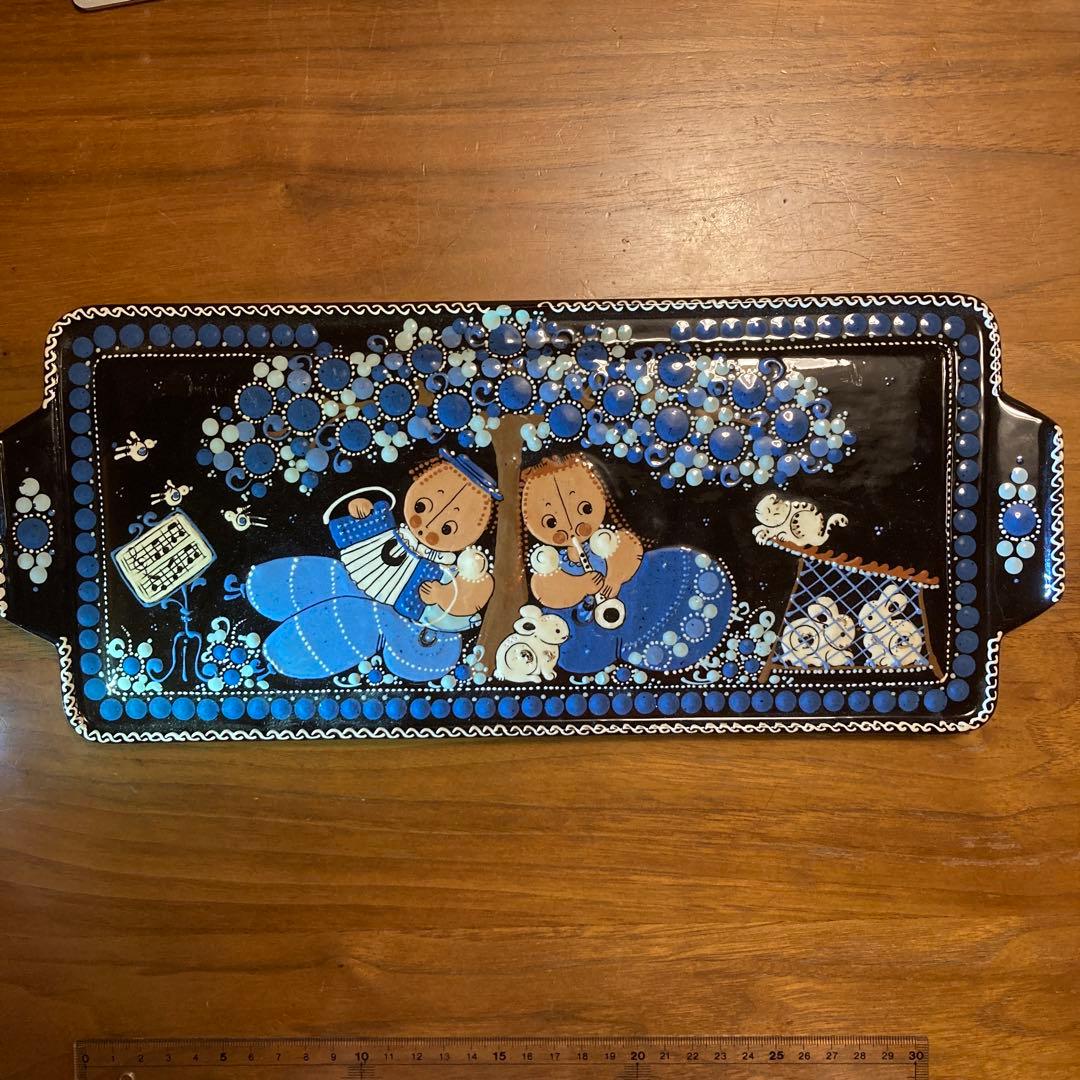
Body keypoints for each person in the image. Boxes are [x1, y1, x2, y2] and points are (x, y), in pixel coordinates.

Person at [240, 449, 498, 681]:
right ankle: (261, 591)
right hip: (350, 575)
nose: (427, 526)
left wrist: (441, 595)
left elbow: (473, 596)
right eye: (422, 507)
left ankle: (285, 656)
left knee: (352, 621)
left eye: (447, 528)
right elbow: (350, 517)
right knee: (317, 577)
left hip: (388, 613)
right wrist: (358, 507)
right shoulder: (388, 522)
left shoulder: (452, 568)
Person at [521, 454, 731, 675]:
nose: (573, 526)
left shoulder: (608, 540)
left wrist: (614, 578)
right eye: (551, 522)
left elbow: (629, 547)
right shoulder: (551, 566)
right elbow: (547, 590)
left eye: (585, 509)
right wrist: (581, 586)